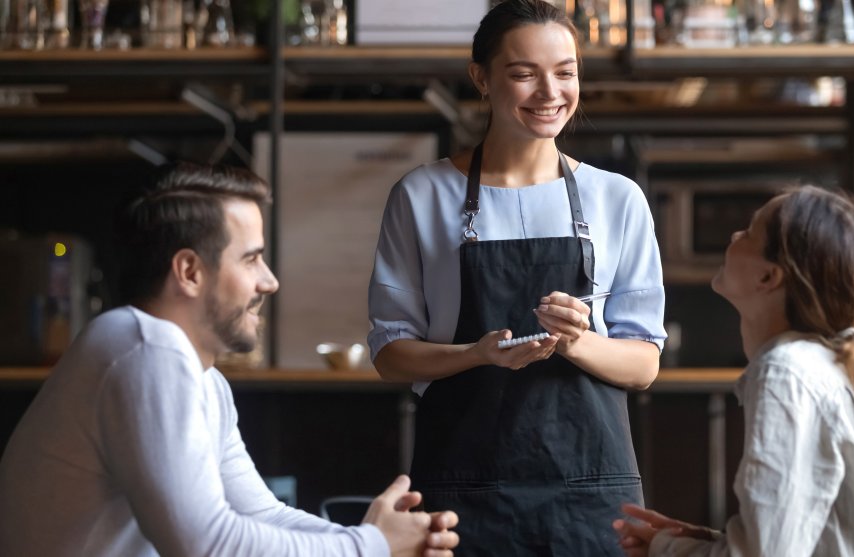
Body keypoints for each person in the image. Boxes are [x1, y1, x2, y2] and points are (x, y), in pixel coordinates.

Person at [0, 163, 459, 557]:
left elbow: (258, 513)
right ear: (190, 272)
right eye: (251, 259)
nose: (270, 281)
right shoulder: (144, 347)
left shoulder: (200, 376)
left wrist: (379, 540)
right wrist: (370, 545)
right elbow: (208, 545)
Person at [367, 0, 667, 553]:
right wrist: (476, 354)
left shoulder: (617, 199)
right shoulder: (422, 195)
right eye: (524, 73)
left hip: (588, 489)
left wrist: (576, 343)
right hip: (463, 488)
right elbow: (391, 352)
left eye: (566, 73)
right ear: (481, 77)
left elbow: (644, 362)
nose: (550, 92)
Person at [613, 186, 854, 556]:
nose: (733, 236)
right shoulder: (823, 364)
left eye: (749, 233)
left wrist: (665, 548)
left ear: (768, 278)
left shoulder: (787, 372)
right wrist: (707, 541)